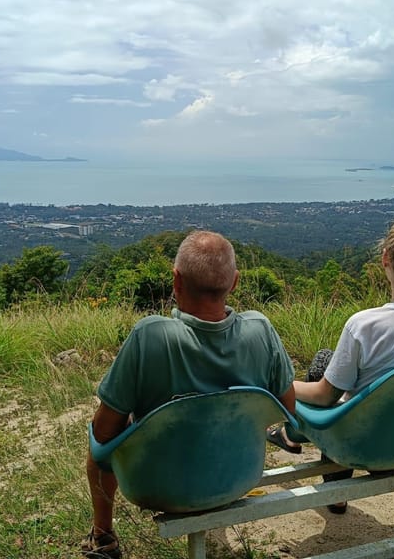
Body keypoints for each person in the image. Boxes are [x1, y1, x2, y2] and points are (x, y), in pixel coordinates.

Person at [83, 230, 296, 559]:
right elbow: (287, 408)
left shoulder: (149, 335)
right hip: (237, 477)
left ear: (176, 281)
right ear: (235, 282)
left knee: (98, 439)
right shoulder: (261, 331)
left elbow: (103, 434)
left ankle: (103, 537)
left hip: (157, 488)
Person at [266, 217, 394, 509]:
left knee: (324, 365)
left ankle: (333, 485)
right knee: (326, 359)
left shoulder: (364, 325)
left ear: (385, 259)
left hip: (365, 445)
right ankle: (292, 437)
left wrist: (277, 384)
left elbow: (324, 395)